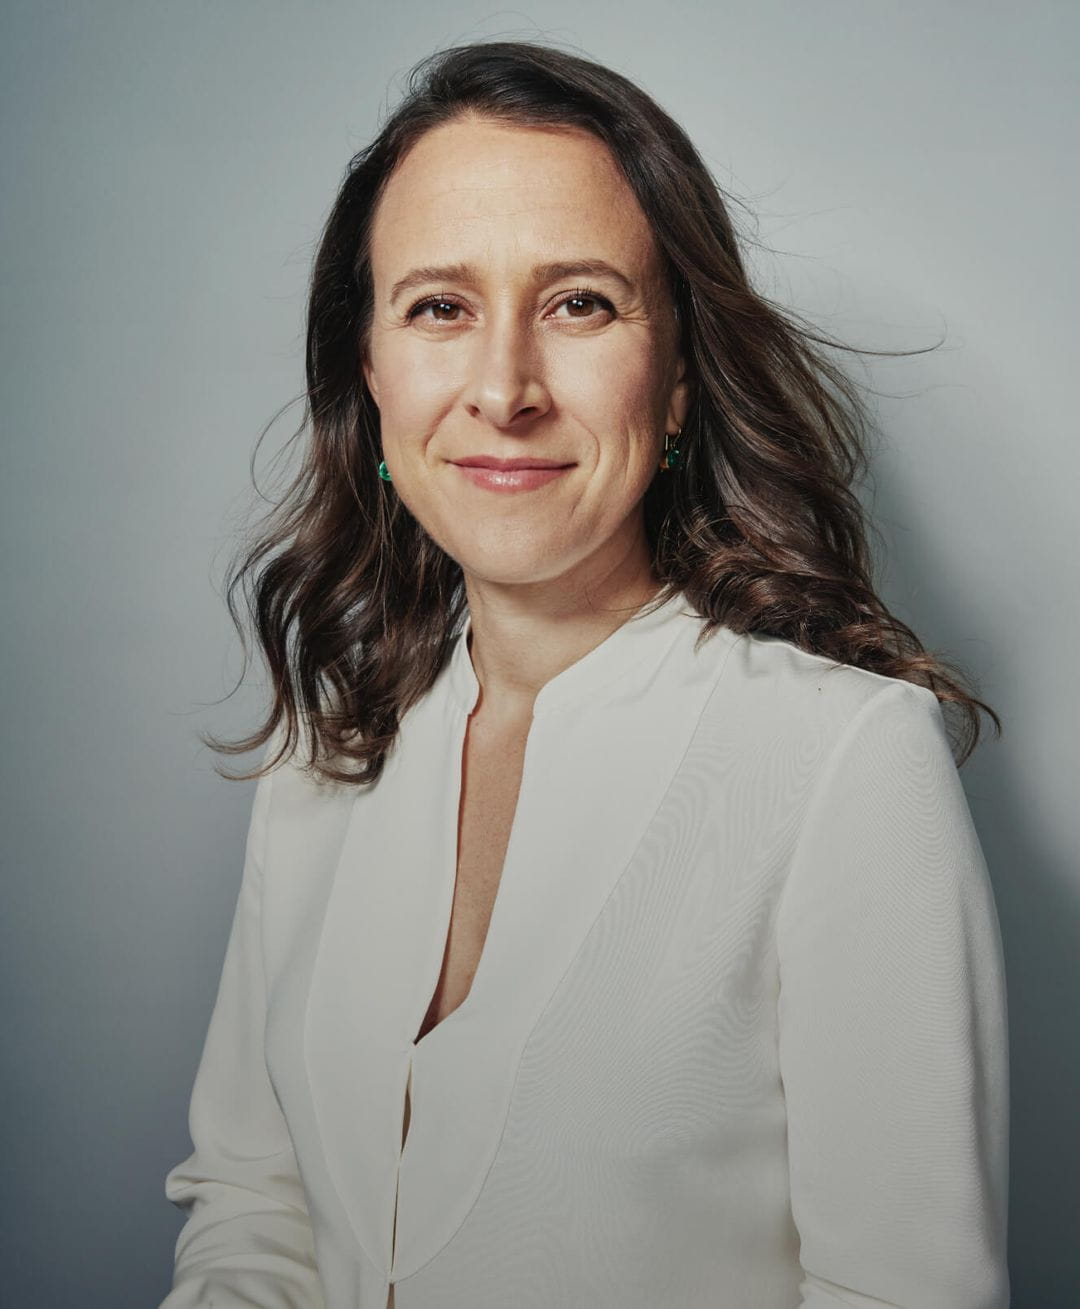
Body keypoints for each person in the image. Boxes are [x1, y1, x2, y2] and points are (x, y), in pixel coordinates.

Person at [160, 39, 1010, 1309]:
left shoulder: (847, 760)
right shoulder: (325, 756)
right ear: (372, 371)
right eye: (440, 306)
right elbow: (253, 1204)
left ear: (674, 384)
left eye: (580, 304)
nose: (503, 390)